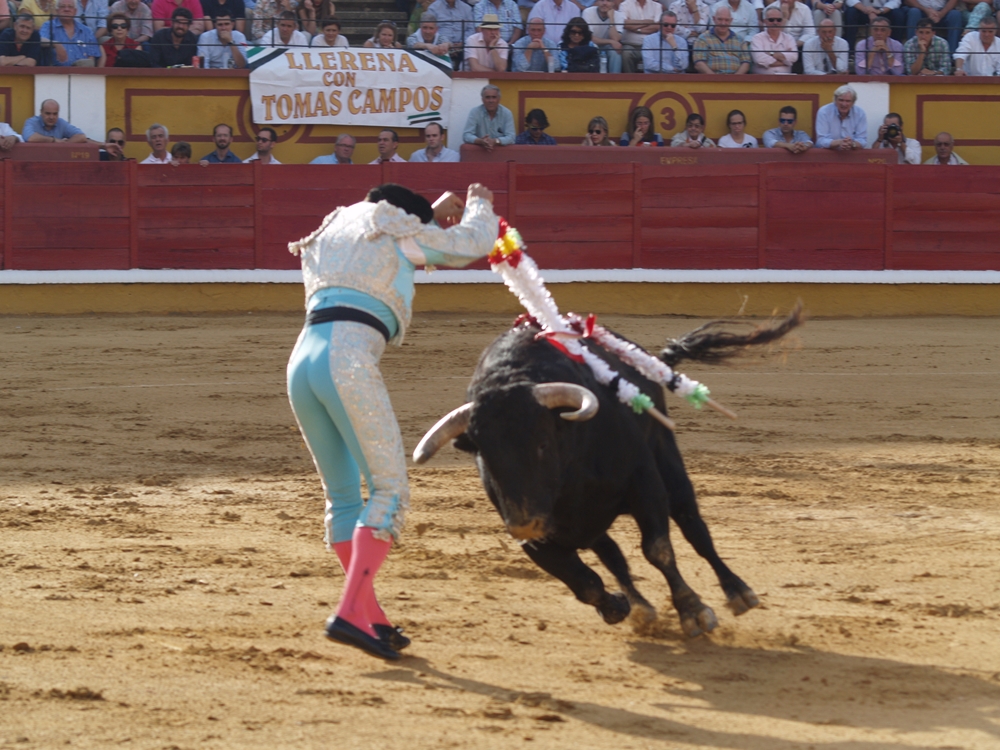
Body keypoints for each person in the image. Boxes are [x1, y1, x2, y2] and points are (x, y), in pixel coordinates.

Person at [285, 181, 497, 661]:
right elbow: (470, 246)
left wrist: (429, 213)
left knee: (342, 496)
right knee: (389, 492)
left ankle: (370, 618)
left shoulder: (336, 225)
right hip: (347, 361)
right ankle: (347, 612)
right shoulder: (394, 229)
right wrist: (480, 201)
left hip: (302, 362)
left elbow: (400, 229)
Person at [39, 0, 104, 67]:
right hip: (55, 73)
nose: (66, 9)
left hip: (81, 74)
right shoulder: (48, 25)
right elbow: (40, 40)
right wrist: (56, 44)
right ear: (57, 10)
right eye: (62, 6)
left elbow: (91, 57)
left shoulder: (87, 31)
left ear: (75, 11)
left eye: (70, 7)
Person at [693, 6, 751, 72]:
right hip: (711, 80)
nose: (723, 23)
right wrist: (715, 79)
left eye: (726, 20)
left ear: (731, 21)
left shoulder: (740, 39)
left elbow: (746, 62)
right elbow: (699, 63)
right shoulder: (703, 38)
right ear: (714, 19)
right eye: (720, 19)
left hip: (735, 80)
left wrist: (735, 80)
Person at [463, 84, 516, 152]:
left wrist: (495, 141)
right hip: (479, 154)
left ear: (499, 99)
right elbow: (466, 135)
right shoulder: (475, 112)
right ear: (482, 99)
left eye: (494, 97)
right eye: (487, 97)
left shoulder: (506, 113)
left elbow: (511, 138)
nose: (491, 100)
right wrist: (481, 141)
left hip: (501, 155)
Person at [815, 84, 866, 150]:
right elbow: (821, 141)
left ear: (853, 102)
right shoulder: (824, 112)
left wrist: (852, 144)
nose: (844, 104)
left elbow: (863, 140)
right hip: (828, 154)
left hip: (850, 154)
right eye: (841, 100)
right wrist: (839, 143)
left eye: (848, 101)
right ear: (835, 100)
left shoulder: (860, 113)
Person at [751, 4, 798, 72]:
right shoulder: (757, 38)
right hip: (762, 81)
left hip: (786, 80)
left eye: (778, 20)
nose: (775, 22)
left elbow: (794, 57)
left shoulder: (789, 38)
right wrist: (785, 62)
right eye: (771, 20)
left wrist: (771, 54)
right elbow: (759, 59)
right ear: (765, 21)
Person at [427, 0, 474, 67]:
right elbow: (430, 30)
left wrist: (462, 43)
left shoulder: (467, 8)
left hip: (463, 47)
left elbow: (471, 29)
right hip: (440, 46)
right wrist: (445, 44)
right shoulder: (433, 8)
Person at [619, 0, 661, 71]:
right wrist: (648, 22)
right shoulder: (624, 5)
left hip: (652, 46)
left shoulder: (657, 6)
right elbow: (624, 24)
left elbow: (657, 26)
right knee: (626, 53)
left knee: (662, 52)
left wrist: (636, 28)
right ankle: (629, 81)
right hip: (631, 45)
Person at [584, 0, 624, 72]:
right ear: (597, 1)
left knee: (615, 52)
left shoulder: (619, 15)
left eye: (608, 1)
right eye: (602, 0)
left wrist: (611, 19)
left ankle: (615, 81)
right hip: (591, 45)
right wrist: (610, 41)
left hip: (608, 46)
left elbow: (615, 39)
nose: (604, 3)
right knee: (591, 47)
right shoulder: (588, 12)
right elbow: (589, 37)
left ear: (613, 3)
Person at [23, 99, 87, 142]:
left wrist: (64, 145)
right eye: (48, 113)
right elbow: (30, 137)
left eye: (55, 114)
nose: (51, 117)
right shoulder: (32, 122)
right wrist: (54, 140)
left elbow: (81, 136)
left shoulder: (61, 123)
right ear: (41, 112)